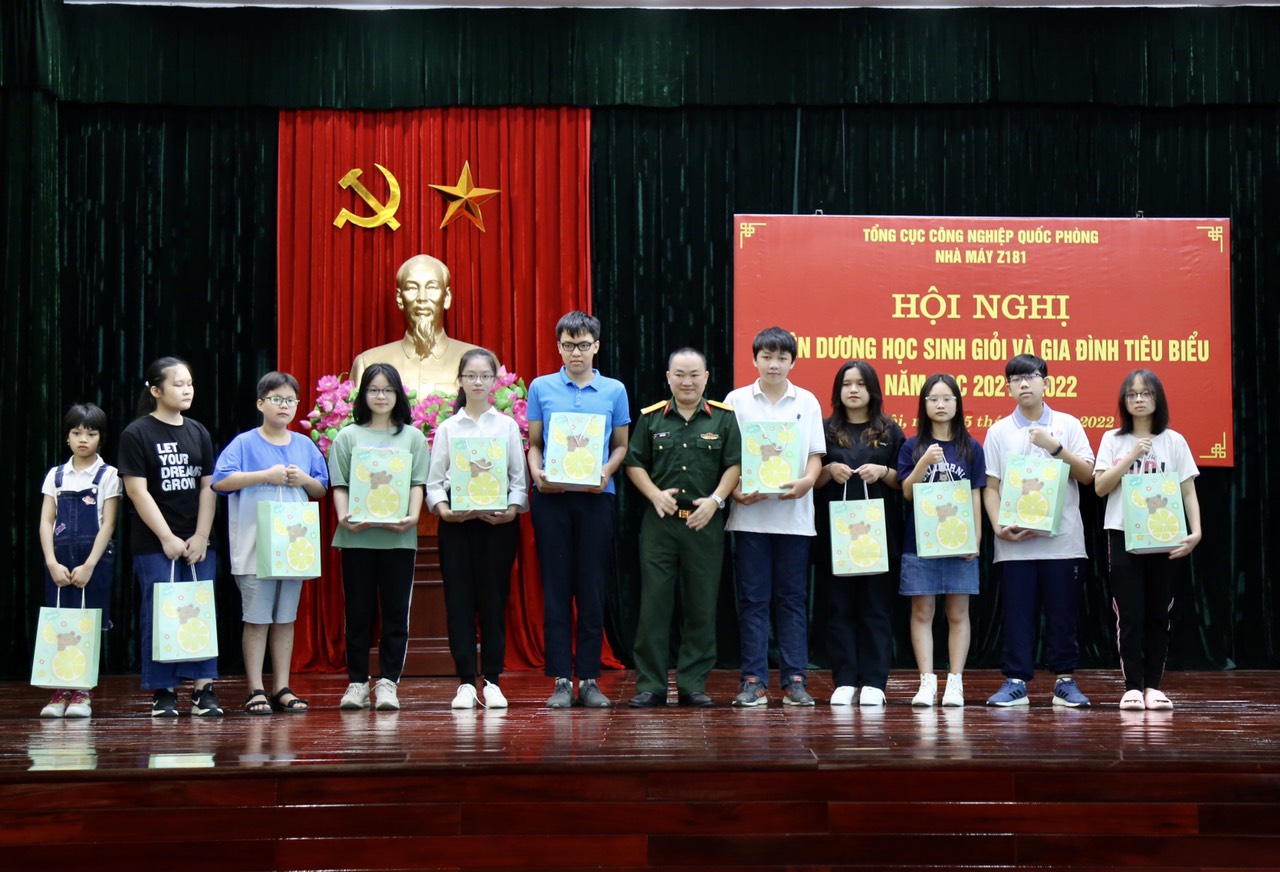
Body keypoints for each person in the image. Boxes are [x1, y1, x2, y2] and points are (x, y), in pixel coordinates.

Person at [625, 348, 741, 708]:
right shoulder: (651, 418)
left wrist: (716, 501)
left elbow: (735, 464)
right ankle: (651, 685)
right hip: (661, 523)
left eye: (694, 375)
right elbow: (634, 462)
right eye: (679, 374)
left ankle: (693, 684)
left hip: (704, 523)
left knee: (701, 605)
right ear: (668, 377)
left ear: (706, 378)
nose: (686, 382)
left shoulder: (723, 419)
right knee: (654, 605)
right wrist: (654, 494)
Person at [526, 311, 630, 708]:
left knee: (591, 586)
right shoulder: (541, 387)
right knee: (556, 587)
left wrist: (606, 470)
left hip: (596, 497)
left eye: (583, 345)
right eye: (569, 345)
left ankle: (588, 679)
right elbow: (536, 443)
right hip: (552, 498)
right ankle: (560, 681)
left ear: (596, 346)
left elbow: (620, 445)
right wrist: (537, 473)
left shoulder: (614, 390)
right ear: (559, 346)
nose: (576, 353)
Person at [982, 354, 1095, 707]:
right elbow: (991, 487)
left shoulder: (1068, 424)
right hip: (1015, 544)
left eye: (1030, 376)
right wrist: (998, 527)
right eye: (1016, 379)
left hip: (1062, 542)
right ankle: (1015, 681)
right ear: (1008, 388)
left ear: (1046, 382)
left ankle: (1064, 681)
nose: (1023, 384)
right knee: (1017, 615)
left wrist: (1054, 447)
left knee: (1063, 614)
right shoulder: (998, 431)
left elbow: (1088, 476)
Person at [212, 372, 329, 715]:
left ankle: (282, 687)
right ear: (261, 403)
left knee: (285, 618)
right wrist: (265, 475)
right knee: (257, 618)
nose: (284, 405)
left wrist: (303, 478)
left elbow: (321, 489)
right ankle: (255, 689)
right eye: (277, 399)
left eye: (290, 400)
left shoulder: (304, 445)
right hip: (254, 548)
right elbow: (220, 481)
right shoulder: (244, 443)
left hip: (293, 550)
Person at [725, 326, 825, 707]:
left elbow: (815, 456)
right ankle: (753, 680)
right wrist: (734, 491)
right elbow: (728, 459)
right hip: (749, 518)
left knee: (792, 600)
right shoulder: (736, 401)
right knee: (753, 600)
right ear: (754, 359)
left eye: (782, 358)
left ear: (793, 362)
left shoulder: (808, 402)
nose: (774, 364)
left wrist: (807, 483)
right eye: (767, 357)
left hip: (794, 519)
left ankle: (794, 680)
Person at [426, 349, 529, 710]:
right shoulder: (448, 428)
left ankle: (493, 681)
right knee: (459, 602)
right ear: (460, 380)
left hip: (497, 526)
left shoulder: (507, 426)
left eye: (485, 375)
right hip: (457, 525)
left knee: (493, 601)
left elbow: (518, 479)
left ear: (495, 381)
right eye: (471, 375)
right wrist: (444, 511)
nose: (478, 382)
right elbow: (435, 482)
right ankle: (466, 682)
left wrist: (511, 511)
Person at [1093, 369, 1201, 711]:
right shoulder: (1113, 439)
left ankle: (1153, 686)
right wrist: (1130, 456)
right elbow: (1100, 487)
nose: (1138, 399)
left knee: (1159, 613)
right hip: (1122, 534)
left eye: (1146, 393)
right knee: (1129, 614)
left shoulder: (1174, 441)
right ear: (1124, 401)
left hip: (1165, 536)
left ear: (1158, 399)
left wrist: (1196, 531)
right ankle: (1132, 687)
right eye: (1132, 394)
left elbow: (1187, 490)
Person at [118, 357, 221, 717]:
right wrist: (166, 537)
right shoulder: (137, 434)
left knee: (200, 612)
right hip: (155, 543)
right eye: (178, 384)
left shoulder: (198, 431)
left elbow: (208, 486)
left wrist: (202, 535)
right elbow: (137, 491)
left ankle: (203, 689)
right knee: (160, 612)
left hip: (197, 541)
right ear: (156, 390)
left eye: (189, 383)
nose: (187, 389)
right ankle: (163, 691)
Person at [329, 363, 429, 712]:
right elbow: (340, 485)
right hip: (356, 539)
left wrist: (413, 518)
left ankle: (388, 683)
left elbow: (417, 483)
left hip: (398, 541)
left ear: (398, 394)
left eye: (388, 390)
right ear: (363, 394)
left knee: (395, 615)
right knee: (357, 613)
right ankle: (357, 683)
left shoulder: (413, 438)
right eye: (374, 389)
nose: (381, 396)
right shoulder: (347, 437)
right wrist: (344, 517)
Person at [812, 361, 904, 708]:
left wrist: (883, 471)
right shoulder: (825, 430)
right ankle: (846, 680)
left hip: (878, 537)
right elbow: (811, 479)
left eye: (861, 384)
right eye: (847, 384)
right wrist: (828, 470)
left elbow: (906, 482)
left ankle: (875, 682)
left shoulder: (890, 430)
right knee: (839, 608)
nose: (853, 390)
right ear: (838, 390)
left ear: (872, 390)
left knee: (876, 608)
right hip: (836, 537)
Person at [897, 374, 985, 708]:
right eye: (933, 399)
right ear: (924, 405)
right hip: (920, 543)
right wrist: (923, 462)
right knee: (922, 611)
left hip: (959, 543)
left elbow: (975, 494)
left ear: (957, 404)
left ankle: (955, 682)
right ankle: (926, 681)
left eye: (947, 398)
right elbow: (907, 492)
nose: (941, 404)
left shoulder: (970, 447)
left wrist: (975, 538)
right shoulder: (912, 446)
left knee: (958, 613)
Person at [37, 403, 121, 718]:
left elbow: (108, 524)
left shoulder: (108, 475)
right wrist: (51, 562)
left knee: (87, 623)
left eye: (91, 433)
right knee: (60, 623)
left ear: (101, 438)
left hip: (92, 559)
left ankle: (82, 692)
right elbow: (46, 521)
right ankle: (59, 691)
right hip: (59, 558)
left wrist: (89, 566)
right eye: (76, 432)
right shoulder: (56, 475)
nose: (83, 439)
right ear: (67, 437)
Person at [350, 254, 482, 397]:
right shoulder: (368, 363)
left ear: (446, 297)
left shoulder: (481, 362)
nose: (422, 298)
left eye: (432, 287)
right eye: (412, 288)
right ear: (400, 298)